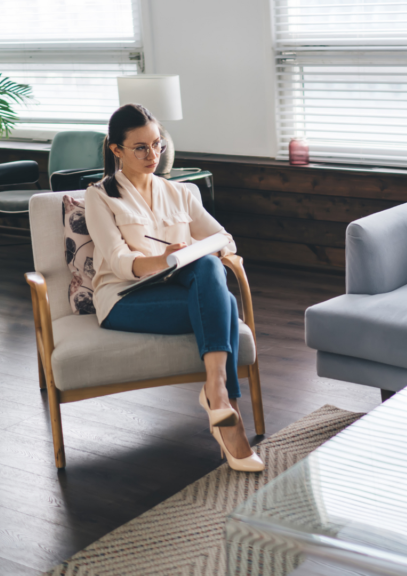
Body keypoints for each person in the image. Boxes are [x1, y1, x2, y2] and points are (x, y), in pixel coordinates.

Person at [85, 103, 263, 472]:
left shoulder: (181, 193)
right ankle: (225, 404)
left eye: (157, 145)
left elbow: (223, 237)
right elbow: (118, 260)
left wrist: (195, 252)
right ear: (116, 149)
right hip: (123, 298)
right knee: (224, 304)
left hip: (178, 288)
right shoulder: (100, 196)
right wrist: (164, 259)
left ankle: (216, 393)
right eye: (141, 148)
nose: (153, 155)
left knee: (209, 263)